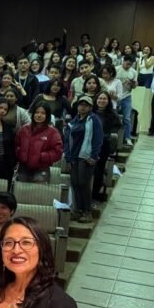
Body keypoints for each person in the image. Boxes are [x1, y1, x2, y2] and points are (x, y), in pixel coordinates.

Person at [64, 95, 102, 223]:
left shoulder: (94, 120)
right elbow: (67, 141)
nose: (83, 107)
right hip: (74, 157)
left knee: (84, 184)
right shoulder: (73, 122)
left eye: (86, 105)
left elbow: (98, 139)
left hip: (85, 157)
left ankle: (87, 212)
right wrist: (68, 158)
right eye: (81, 104)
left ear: (90, 107)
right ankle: (78, 210)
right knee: (75, 184)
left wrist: (94, 156)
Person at [14, 103, 63, 184]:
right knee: (20, 193)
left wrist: (41, 156)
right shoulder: (24, 129)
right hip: (23, 168)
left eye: (43, 113)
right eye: (37, 112)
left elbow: (58, 152)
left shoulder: (53, 132)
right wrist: (20, 154)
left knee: (38, 194)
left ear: (47, 115)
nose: (39, 115)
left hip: (41, 169)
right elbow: (16, 145)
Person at [92, 92, 122, 202]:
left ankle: (95, 192)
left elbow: (118, 126)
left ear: (108, 101)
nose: (102, 101)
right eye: (100, 98)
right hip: (89, 143)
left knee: (99, 169)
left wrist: (108, 135)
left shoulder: (112, 114)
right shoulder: (91, 112)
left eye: (104, 99)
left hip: (104, 144)